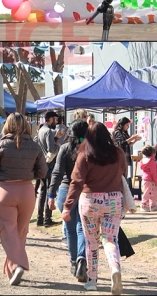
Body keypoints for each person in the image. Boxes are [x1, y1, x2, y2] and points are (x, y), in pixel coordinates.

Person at [62, 121, 128, 293]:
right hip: (114, 201)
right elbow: (124, 174)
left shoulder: (84, 155)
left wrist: (67, 207)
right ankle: (115, 268)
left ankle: (92, 280)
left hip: (90, 201)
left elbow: (76, 182)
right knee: (110, 239)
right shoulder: (118, 153)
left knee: (92, 242)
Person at [0, 113, 48, 286]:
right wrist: (28, 174)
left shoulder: (0, 144)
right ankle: (12, 269)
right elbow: (43, 172)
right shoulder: (35, 146)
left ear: (8, 125)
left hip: (6, 190)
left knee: (7, 230)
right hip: (27, 190)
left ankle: (18, 265)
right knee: (20, 232)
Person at [48, 119, 90, 283]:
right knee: (83, 228)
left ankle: (74, 262)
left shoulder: (65, 148)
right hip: (86, 191)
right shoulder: (91, 149)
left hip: (66, 191)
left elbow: (57, 172)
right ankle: (81, 259)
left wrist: (51, 194)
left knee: (69, 229)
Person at [36, 111, 62, 227]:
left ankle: (39, 218)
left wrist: (55, 138)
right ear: (50, 119)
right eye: (55, 120)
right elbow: (51, 149)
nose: (56, 123)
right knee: (49, 191)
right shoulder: (49, 132)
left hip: (41, 164)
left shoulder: (41, 130)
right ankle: (47, 219)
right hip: (50, 166)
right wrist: (58, 146)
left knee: (42, 191)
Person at [139, 145, 157, 211]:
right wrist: (156, 181)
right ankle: (148, 205)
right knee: (153, 192)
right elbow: (153, 173)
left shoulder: (142, 161)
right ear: (153, 153)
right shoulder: (152, 162)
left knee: (147, 192)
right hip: (151, 180)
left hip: (145, 179)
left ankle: (148, 205)